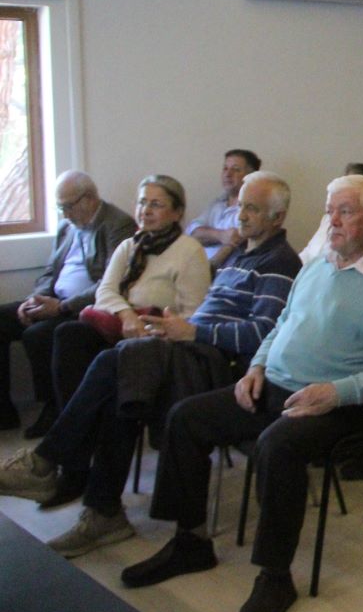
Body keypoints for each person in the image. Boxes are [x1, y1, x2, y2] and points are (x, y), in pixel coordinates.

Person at [114, 174, 363, 612]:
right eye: (330, 211)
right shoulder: (317, 267)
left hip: (347, 405)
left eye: (345, 212)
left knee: (277, 446)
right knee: (186, 417)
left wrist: (334, 393)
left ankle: (275, 578)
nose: (333, 222)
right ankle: (190, 541)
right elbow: (281, 325)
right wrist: (256, 367)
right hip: (278, 386)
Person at [0, 172, 301, 548]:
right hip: (189, 349)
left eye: (252, 209)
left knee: (120, 362)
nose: (240, 215)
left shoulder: (279, 262)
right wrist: (175, 328)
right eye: (240, 206)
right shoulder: (240, 256)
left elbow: (262, 333)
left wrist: (191, 331)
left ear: (277, 217)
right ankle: (102, 510)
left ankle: (48, 464)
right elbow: (129, 297)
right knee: (120, 385)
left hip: (224, 368)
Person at [45, 176, 211, 424]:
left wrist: (149, 326)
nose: (146, 210)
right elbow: (105, 291)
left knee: (111, 361)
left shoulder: (189, 250)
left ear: (177, 212)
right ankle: (75, 423)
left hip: (157, 335)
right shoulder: (130, 245)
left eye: (156, 204)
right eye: (142, 202)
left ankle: (75, 434)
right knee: (69, 334)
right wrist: (127, 316)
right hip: (122, 324)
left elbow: (193, 313)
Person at [1, 171, 134, 436]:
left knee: (38, 334)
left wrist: (62, 307)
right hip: (54, 301)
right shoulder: (67, 227)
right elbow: (50, 271)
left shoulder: (118, 225)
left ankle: (53, 407)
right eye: (60, 208)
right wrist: (34, 300)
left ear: (89, 198)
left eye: (68, 206)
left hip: (83, 308)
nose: (65, 214)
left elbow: (111, 283)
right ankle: (4, 411)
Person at [187, 149, 259, 266]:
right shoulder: (217, 204)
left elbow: (229, 247)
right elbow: (192, 234)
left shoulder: (252, 210)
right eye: (225, 168)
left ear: (250, 177)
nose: (228, 174)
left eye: (236, 169)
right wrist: (221, 235)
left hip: (219, 272)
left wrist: (207, 236)